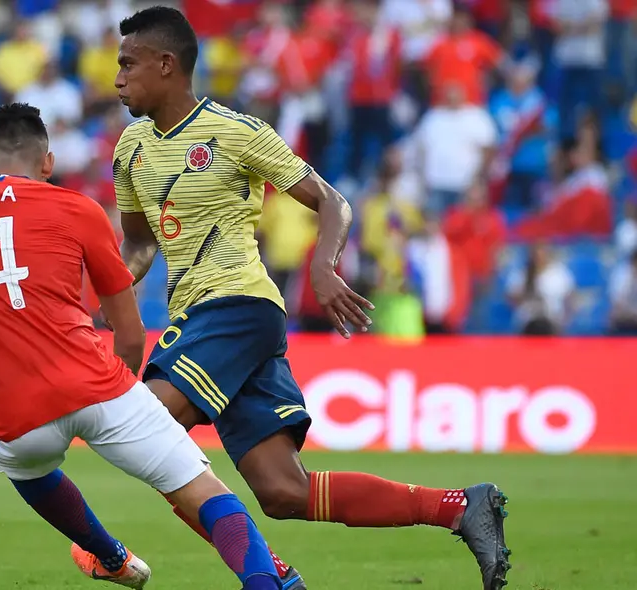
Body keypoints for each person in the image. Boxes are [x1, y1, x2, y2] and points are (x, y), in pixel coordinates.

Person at [110, 7, 511, 590]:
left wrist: (323, 267)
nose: (117, 79)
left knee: (146, 424)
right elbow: (141, 244)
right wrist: (106, 293)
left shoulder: (234, 131)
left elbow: (331, 200)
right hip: (203, 317)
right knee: (283, 491)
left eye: (128, 64)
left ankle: (263, 575)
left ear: (166, 65)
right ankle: (458, 506)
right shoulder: (130, 147)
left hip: (236, 306)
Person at [0, 103, 285, 590]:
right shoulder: (79, 209)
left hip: (16, 417)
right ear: (48, 163)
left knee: (16, 460)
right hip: (99, 385)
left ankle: (110, 556)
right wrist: (115, 406)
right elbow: (128, 333)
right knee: (206, 493)